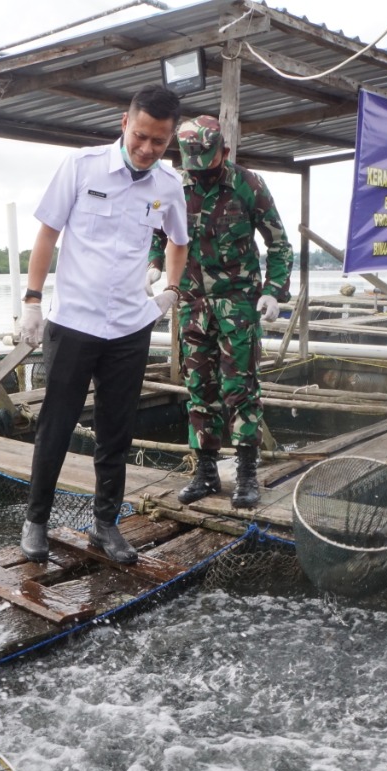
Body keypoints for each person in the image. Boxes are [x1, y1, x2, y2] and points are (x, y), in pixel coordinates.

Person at [18, 84, 189, 565]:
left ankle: (106, 525)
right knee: (56, 425)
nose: (146, 148)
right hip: (74, 321)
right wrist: (32, 300)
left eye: (158, 141)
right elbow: (48, 233)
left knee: (117, 431)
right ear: (124, 124)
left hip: (131, 327)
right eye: (140, 136)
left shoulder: (169, 187)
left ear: (170, 138)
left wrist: (171, 291)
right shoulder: (81, 167)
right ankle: (36, 522)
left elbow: (179, 240)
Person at [146, 115, 293, 509]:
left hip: (238, 306)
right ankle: (205, 473)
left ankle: (247, 475)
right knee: (199, 390)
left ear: (224, 153)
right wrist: (154, 265)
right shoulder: (175, 186)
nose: (200, 173)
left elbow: (279, 244)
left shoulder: (249, 185)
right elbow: (159, 233)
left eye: (207, 163)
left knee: (241, 390)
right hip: (192, 304)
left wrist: (274, 291)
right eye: (192, 164)